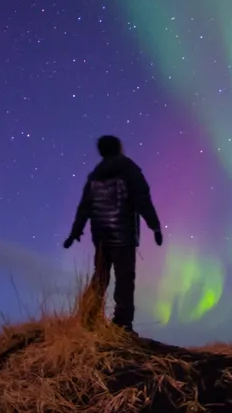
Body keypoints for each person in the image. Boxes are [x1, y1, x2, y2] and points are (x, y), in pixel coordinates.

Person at [63, 135, 163, 333]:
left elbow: (84, 208)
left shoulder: (95, 176)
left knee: (99, 277)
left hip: (101, 237)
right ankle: (122, 324)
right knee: (125, 279)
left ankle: (88, 318)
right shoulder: (129, 169)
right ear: (118, 148)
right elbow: (142, 199)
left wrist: (75, 233)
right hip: (123, 235)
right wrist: (155, 226)